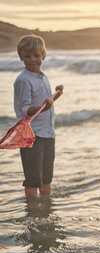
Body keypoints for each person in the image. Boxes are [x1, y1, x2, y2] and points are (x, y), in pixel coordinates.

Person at [14, 34, 63, 200]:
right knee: (33, 180)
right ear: (21, 57)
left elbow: (44, 103)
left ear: (43, 55)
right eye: (27, 56)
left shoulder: (43, 77)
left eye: (36, 55)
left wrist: (56, 95)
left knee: (46, 178)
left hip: (48, 133)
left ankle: (47, 209)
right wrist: (45, 107)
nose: (32, 60)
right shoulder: (23, 80)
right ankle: (32, 211)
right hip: (31, 135)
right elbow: (25, 110)